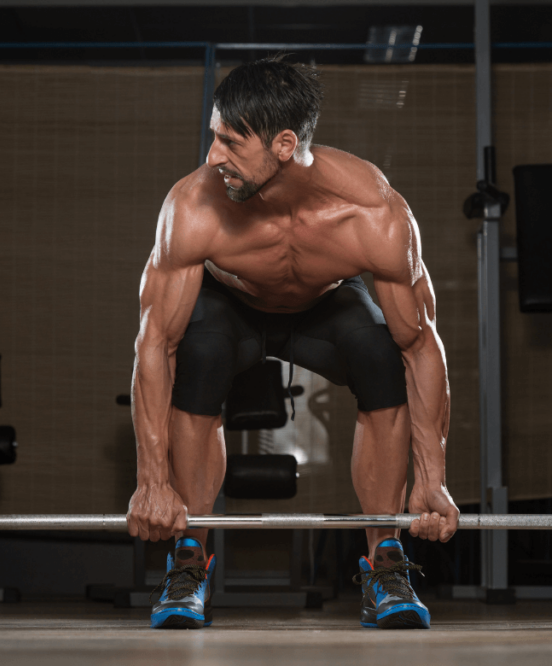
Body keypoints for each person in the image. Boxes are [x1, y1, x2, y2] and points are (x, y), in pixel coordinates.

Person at [127, 56, 460, 630]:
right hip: (228, 308)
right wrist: (151, 482)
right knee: (199, 356)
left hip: (323, 306)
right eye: (214, 136)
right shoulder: (192, 206)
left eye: (231, 142)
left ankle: (385, 557)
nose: (213, 157)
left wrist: (432, 478)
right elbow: (154, 344)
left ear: (284, 144)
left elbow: (421, 345)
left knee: (381, 354)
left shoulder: (373, 212)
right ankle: (188, 558)